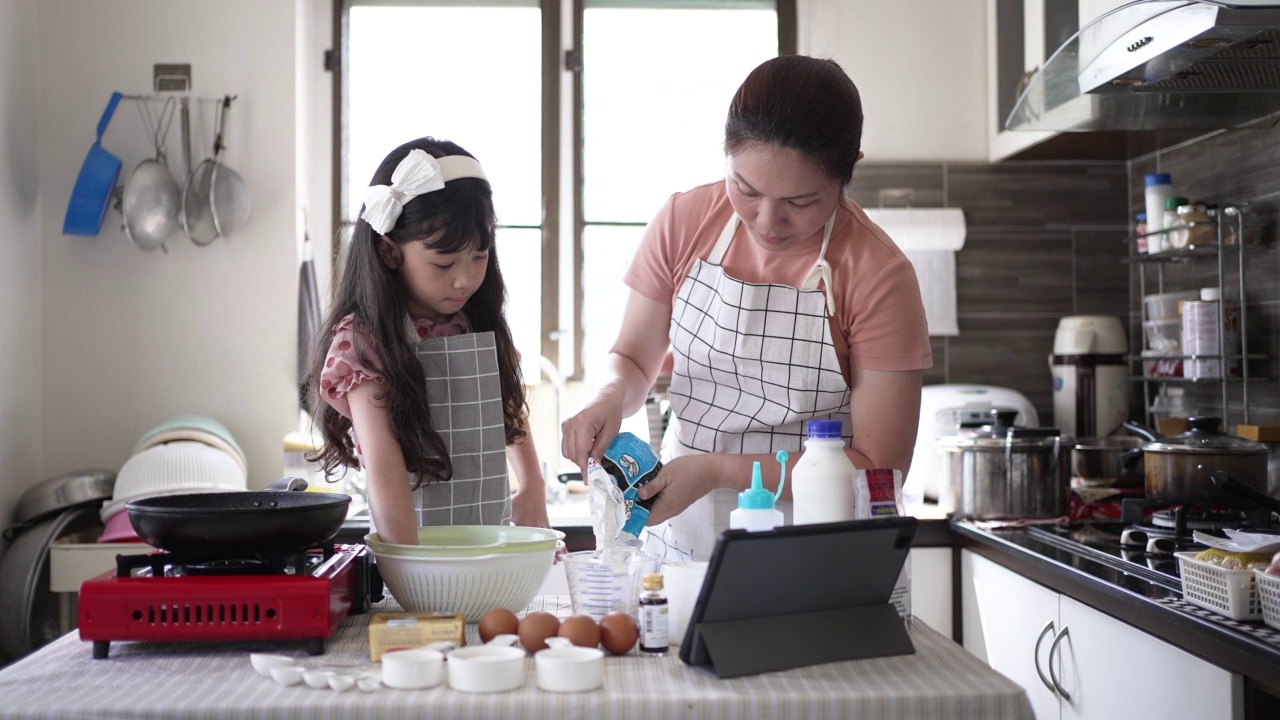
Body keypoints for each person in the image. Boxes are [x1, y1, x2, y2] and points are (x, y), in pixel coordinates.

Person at [561, 55, 931, 561]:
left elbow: (878, 470)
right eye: (746, 189)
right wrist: (607, 398)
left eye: (800, 202)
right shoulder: (685, 221)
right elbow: (632, 358)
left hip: (816, 542)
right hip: (683, 533)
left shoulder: (878, 274)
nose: (767, 221)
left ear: (849, 172)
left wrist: (717, 470)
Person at [308, 136, 549, 545]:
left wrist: (531, 485)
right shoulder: (364, 341)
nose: (465, 279)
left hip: (488, 543)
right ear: (389, 252)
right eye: (444, 262)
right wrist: (412, 565)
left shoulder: (475, 321)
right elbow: (384, 464)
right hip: (414, 547)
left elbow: (505, 407)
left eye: (480, 256)